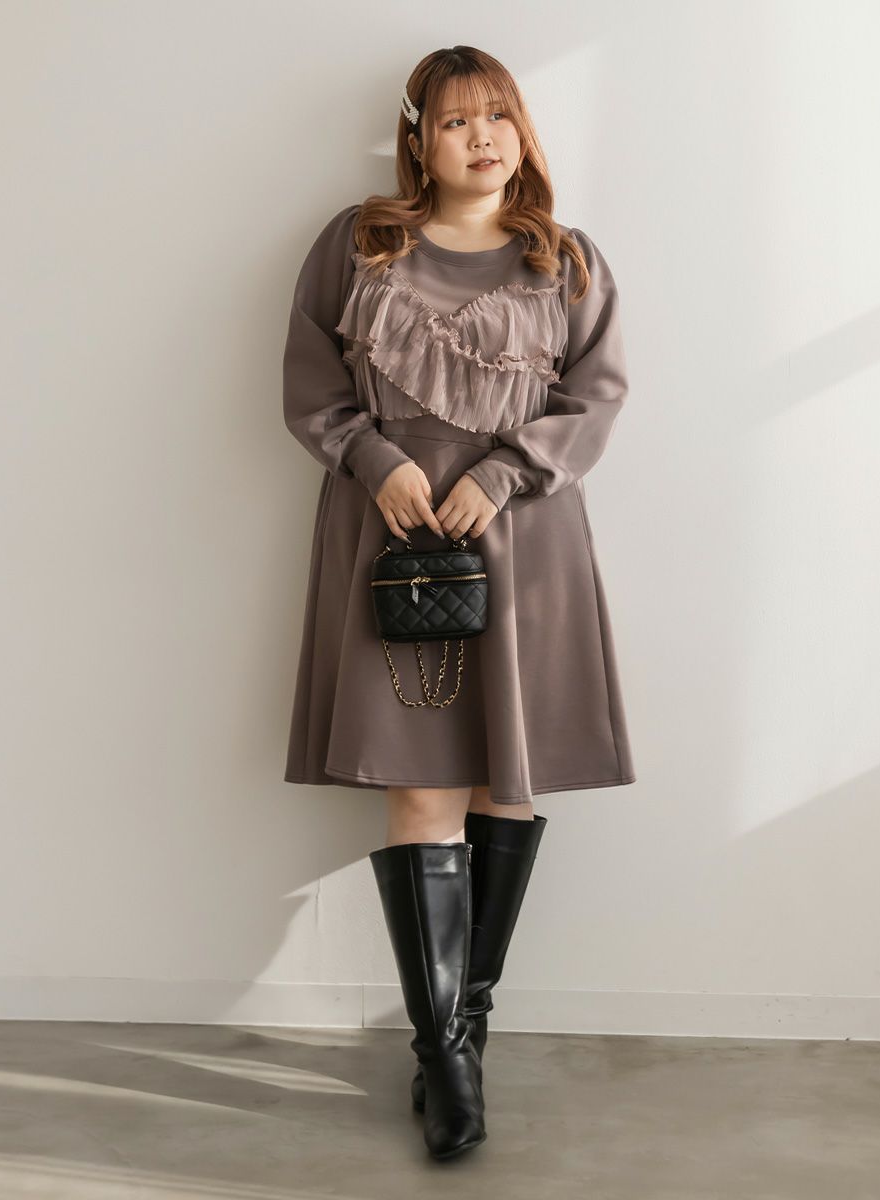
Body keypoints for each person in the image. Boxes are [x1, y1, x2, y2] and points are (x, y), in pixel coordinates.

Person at [281, 45, 636, 1159]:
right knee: (422, 789)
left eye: (497, 117)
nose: (480, 138)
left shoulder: (564, 261)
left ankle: (458, 1035)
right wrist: (374, 459)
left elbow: (595, 397)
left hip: (525, 544)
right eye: (452, 121)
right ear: (417, 140)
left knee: (505, 785)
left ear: (521, 132)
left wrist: (502, 474)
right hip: (394, 541)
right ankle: (445, 1064)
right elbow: (309, 382)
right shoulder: (361, 245)